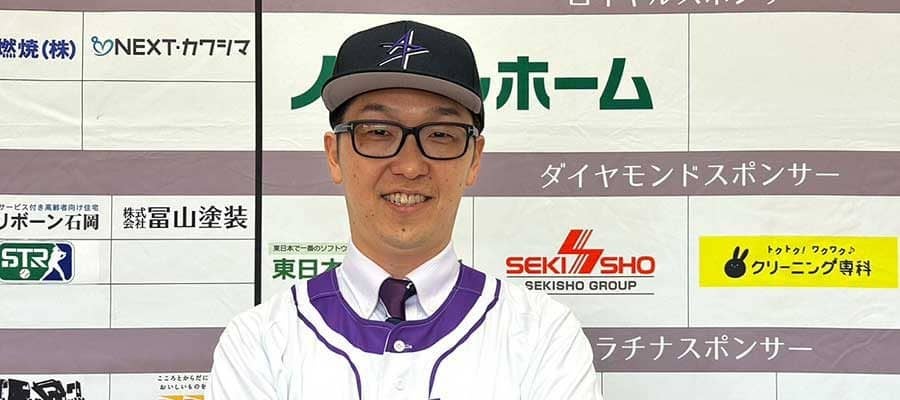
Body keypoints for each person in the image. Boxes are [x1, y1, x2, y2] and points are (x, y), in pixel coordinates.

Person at [206, 20, 602, 400]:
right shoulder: (260, 343)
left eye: (440, 135)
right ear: (334, 155)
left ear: (474, 159)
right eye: (379, 132)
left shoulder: (543, 336)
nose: (410, 166)